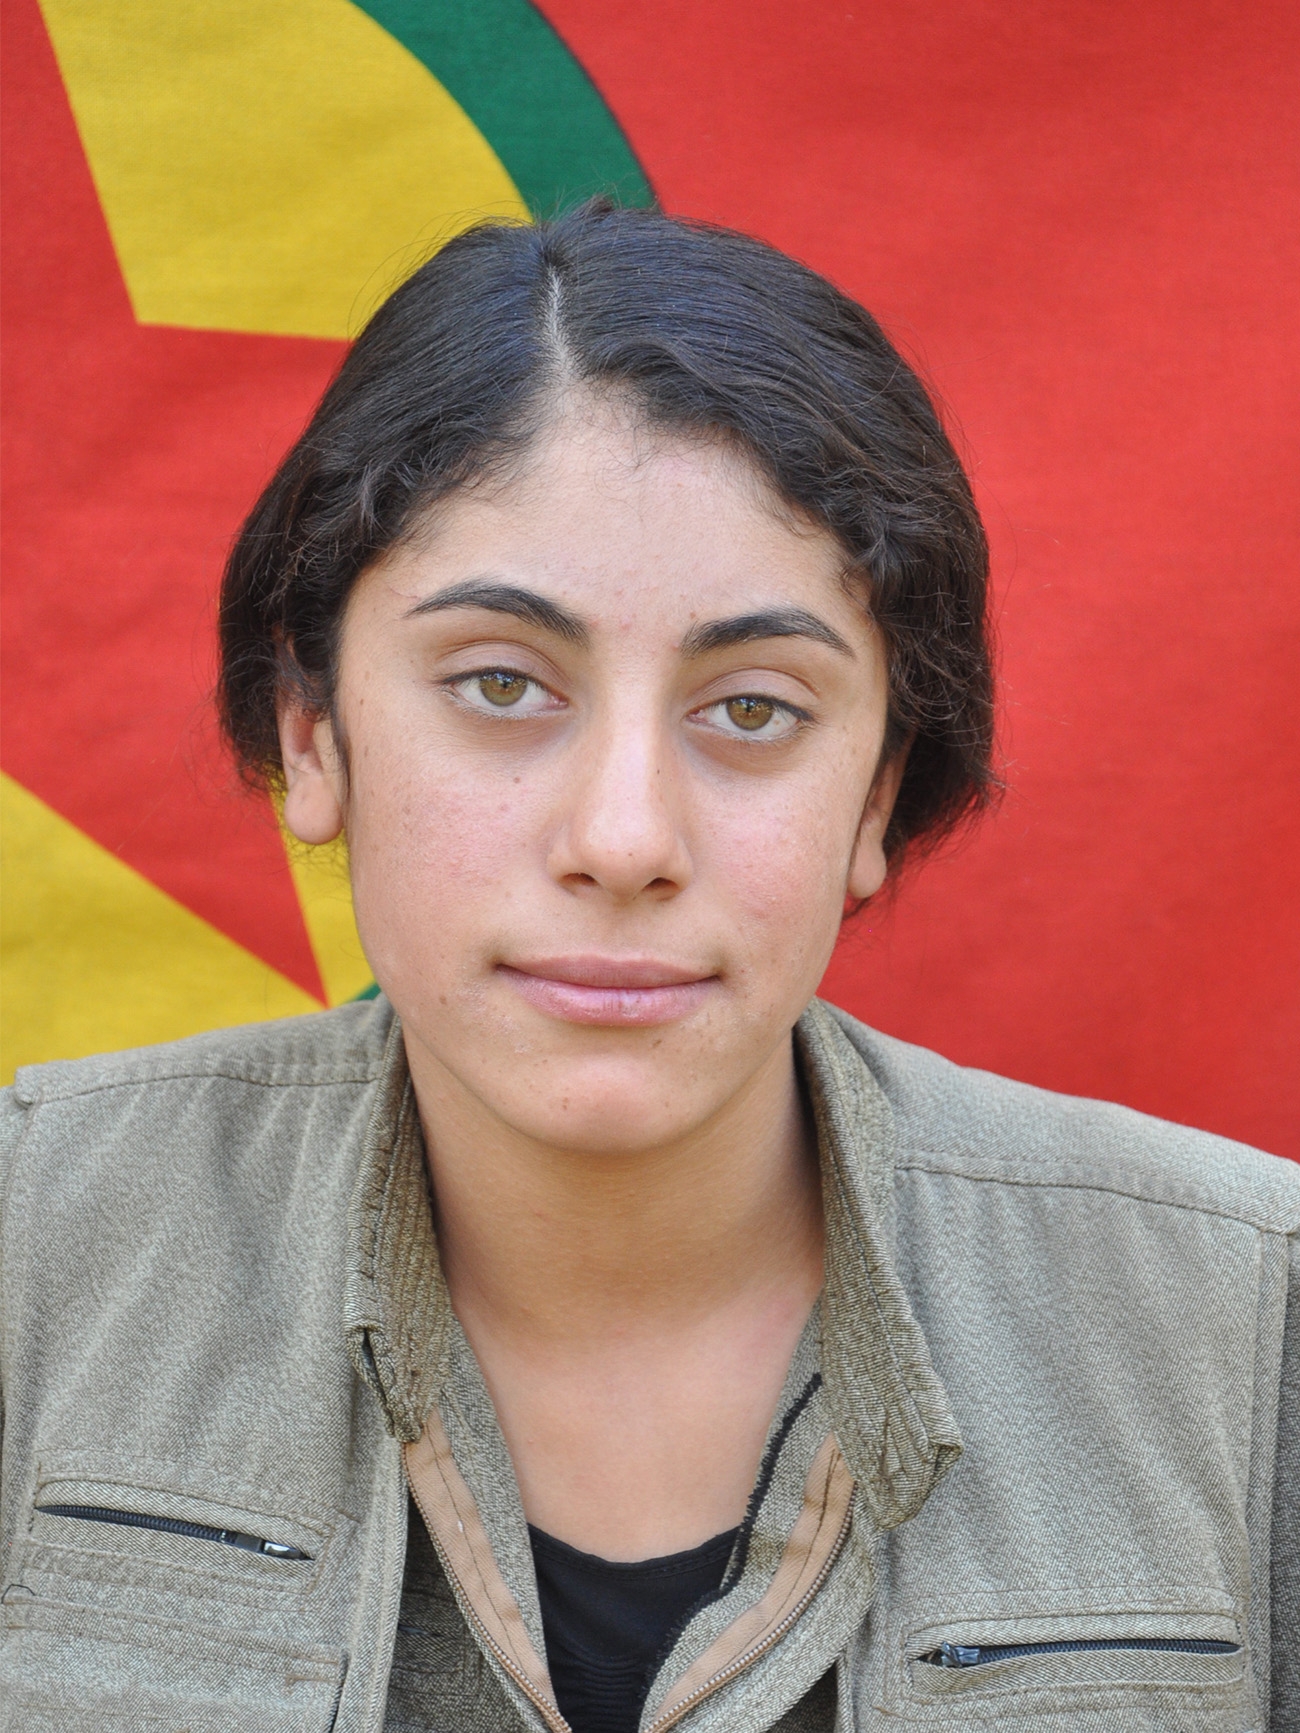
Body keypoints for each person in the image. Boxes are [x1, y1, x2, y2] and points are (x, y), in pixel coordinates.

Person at [1, 201, 1295, 1733]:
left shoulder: (1247, 1323)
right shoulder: (35, 1250)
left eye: (752, 708)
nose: (624, 838)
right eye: (501, 684)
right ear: (313, 730)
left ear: (877, 794)